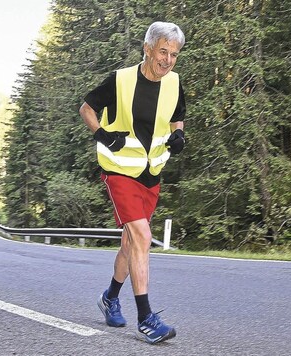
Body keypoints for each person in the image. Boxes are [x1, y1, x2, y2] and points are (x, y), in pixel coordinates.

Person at [79, 21, 186, 344]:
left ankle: (110, 297)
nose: (167, 60)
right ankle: (146, 318)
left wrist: (178, 134)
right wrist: (101, 134)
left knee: (131, 242)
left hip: (151, 173)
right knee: (142, 234)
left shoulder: (175, 83)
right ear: (147, 49)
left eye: (174, 54)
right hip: (119, 169)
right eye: (163, 52)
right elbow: (87, 108)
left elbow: (177, 115)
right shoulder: (121, 80)